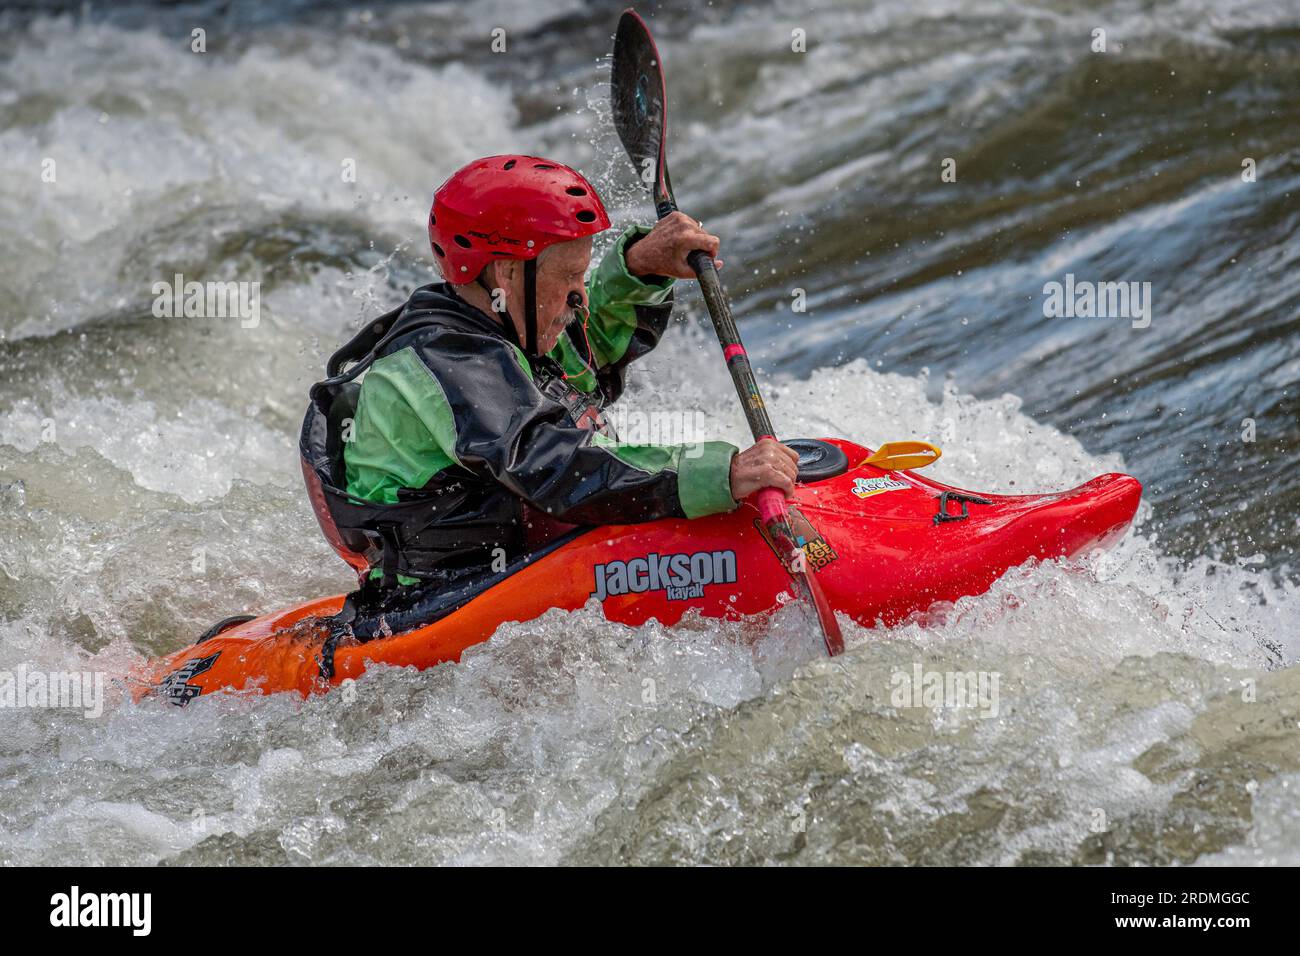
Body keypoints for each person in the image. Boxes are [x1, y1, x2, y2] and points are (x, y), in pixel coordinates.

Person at [300, 154, 798, 598]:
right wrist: (719, 474)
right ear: (507, 274)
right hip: (443, 595)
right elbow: (552, 468)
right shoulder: (448, 360)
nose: (580, 293)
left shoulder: (505, 322)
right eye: (569, 275)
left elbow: (586, 361)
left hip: (519, 559)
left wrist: (639, 269)